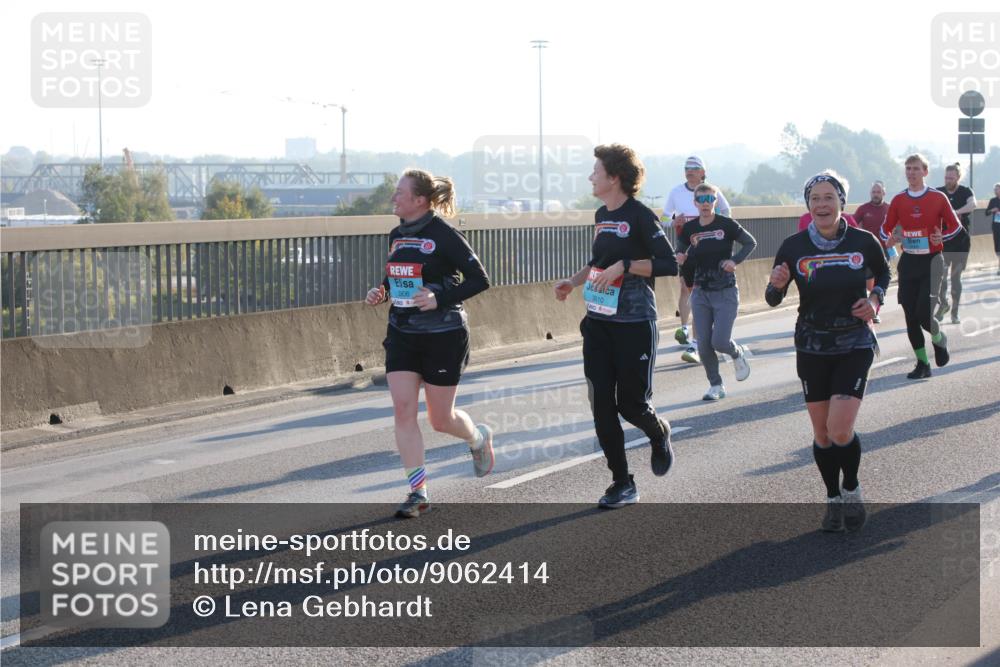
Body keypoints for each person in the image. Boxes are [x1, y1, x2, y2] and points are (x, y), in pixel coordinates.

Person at [766, 170, 891, 532]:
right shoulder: (793, 246)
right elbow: (773, 298)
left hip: (854, 342)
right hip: (811, 344)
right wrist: (774, 286)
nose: (822, 204)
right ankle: (833, 498)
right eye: (815, 198)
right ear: (808, 205)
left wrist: (874, 300)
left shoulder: (863, 241)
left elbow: (883, 275)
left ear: (841, 202)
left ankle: (852, 488)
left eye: (828, 197)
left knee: (839, 429)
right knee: (821, 434)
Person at [555, 144, 678, 508]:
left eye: (596, 171)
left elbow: (669, 264)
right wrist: (573, 282)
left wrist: (626, 265)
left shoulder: (640, 216)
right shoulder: (600, 214)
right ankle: (622, 482)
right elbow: (599, 261)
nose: (591, 176)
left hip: (635, 322)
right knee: (601, 404)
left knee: (632, 405)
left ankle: (658, 432)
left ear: (615, 178)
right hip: (598, 323)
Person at [365, 169, 492, 518]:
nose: (393, 197)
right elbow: (398, 274)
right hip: (403, 332)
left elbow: (480, 280)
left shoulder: (445, 234)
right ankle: (418, 492)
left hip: (443, 335)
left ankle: (477, 438)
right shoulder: (397, 234)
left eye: (399, 192)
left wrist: (440, 298)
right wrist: (383, 291)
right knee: (403, 411)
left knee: (440, 420)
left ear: (419, 200)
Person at [879, 154, 963, 379]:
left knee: (924, 315)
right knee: (910, 315)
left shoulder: (938, 198)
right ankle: (923, 364)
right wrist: (891, 238)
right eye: (908, 168)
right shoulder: (898, 200)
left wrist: (940, 236)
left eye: (916, 168)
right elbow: (884, 229)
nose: (911, 172)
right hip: (909, 262)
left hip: (932, 261)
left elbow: (956, 227)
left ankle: (939, 339)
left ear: (925, 172)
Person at [676, 183, 757, 400]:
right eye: (700, 200)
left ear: (715, 202)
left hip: (725, 290)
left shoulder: (727, 224)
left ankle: (736, 352)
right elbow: (680, 251)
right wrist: (680, 258)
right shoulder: (690, 228)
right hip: (701, 291)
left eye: (709, 199)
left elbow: (750, 242)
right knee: (703, 344)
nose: (705, 204)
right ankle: (716, 385)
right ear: (695, 203)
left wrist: (734, 260)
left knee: (719, 341)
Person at [663, 156, 732, 364]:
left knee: (698, 292)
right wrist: (675, 221)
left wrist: (718, 227)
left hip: (709, 248)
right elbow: (664, 219)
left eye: (694, 168)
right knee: (686, 287)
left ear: (703, 172)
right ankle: (685, 329)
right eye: (686, 168)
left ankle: (696, 342)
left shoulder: (712, 191)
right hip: (686, 247)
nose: (689, 171)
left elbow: (727, 212)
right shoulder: (676, 192)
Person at [935, 163, 976, 324]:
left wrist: (955, 213)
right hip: (943, 241)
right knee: (941, 277)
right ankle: (943, 305)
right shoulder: (939, 192)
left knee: (955, 277)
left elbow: (973, 204)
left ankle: (955, 312)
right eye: (946, 177)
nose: (948, 180)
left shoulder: (965, 191)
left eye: (951, 178)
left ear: (958, 178)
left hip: (961, 242)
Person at [854, 181, 895, 323]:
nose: (875, 195)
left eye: (878, 192)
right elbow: (852, 225)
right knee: (867, 281)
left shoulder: (890, 208)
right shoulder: (863, 209)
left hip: (884, 250)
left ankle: (875, 311)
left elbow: (900, 226)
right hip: (867, 250)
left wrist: (895, 238)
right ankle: (867, 307)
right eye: (873, 192)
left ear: (884, 193)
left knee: (880, 280)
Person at [987, 183, 1000, 275]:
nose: (995, 191)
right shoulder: (993, 201)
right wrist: (992, 210)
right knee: (997, 248)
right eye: (994, 189)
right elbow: (986, 212)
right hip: (996, 226)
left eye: (997, 189)